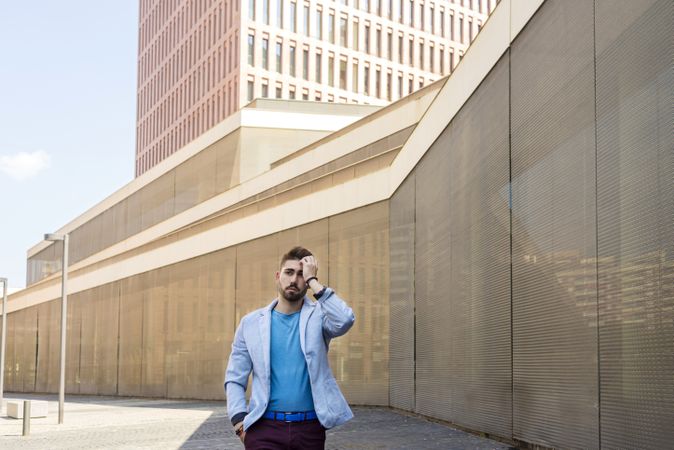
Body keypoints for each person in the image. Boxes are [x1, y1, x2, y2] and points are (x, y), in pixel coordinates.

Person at [225, 246, 355, 450]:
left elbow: (345, 319)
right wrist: (239, 422)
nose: (294, 280)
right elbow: (234, 377)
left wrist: (314, 283)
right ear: (278, 276)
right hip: (263, 428)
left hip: (309, 429)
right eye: (289, 272)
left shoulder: (319, 317)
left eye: (302, 274)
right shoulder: (250, 323)